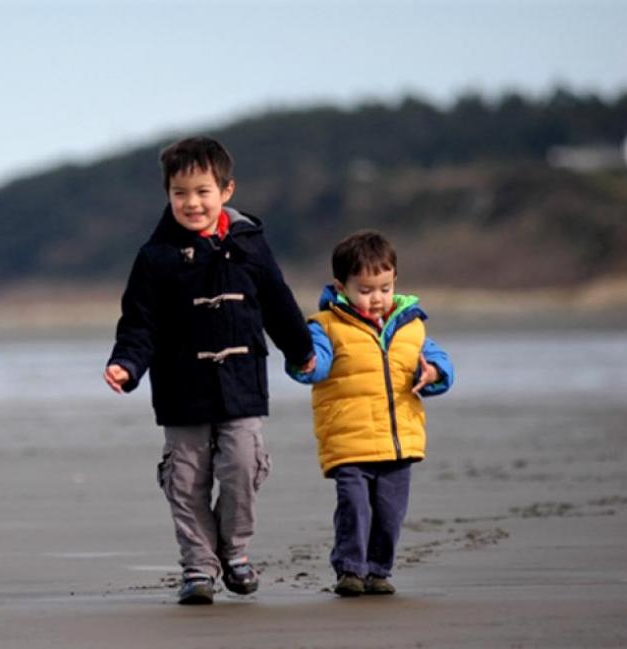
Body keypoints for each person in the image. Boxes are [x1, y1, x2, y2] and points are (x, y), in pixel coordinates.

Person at [104, 136, 315, 605]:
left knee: (242, 466)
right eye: (180, 193)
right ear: (168, 195)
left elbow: (278, 303)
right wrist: (126, 365)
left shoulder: (249, 245)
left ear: (226, 190)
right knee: (186, 479)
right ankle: (198, 567)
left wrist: (300, 349)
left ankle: (234, 552)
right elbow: (140, 324)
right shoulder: (154, 257)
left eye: (202, 191)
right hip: (181, 389)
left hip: (242, 382)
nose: (192, 202)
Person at [288, 229, 454, 597]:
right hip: (350, 441)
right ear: (341, 286)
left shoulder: (410, 325)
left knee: (390, 513)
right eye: (365, 290)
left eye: (384, 287)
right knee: (355, 507)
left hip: (399, 442)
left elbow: (439, 363)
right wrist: (304, 364)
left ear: (395, 281)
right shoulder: (326, 326)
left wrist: (434, 373)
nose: (377, 298)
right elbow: (313, 367)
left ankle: (378, 571)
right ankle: (350, 569)